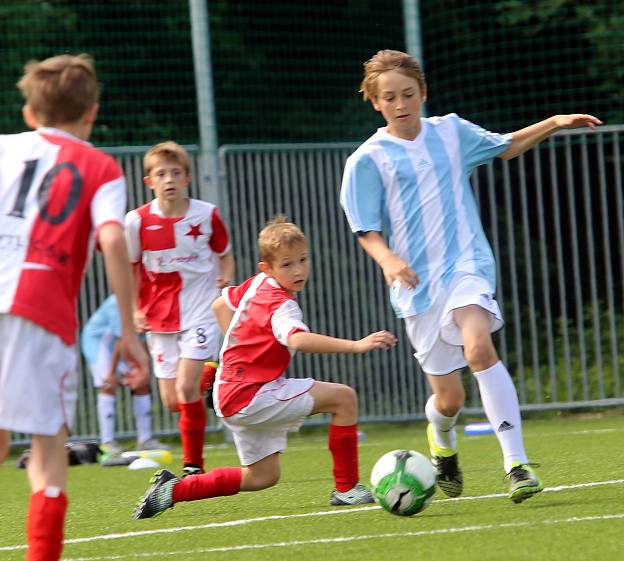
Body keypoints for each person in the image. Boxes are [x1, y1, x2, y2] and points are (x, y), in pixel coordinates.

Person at [0, 54, 149, 561]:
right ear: (92, 112)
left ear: (29, 112)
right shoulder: (100, 166)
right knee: (47, 454)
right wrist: (128, 331)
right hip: (41, 308)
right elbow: (111, 239)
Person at [339, 49, 602, 503]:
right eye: (389, 97)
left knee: (480, 346)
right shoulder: (368, 159)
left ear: (422, 92)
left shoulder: (452, 132)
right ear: (375, 102)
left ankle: (516, 465)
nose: (401, 104)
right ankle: (442, 441)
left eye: (407, 94)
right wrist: (388, 261)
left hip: (467, 265)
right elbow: (366, 227)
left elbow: (507, 146)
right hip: (418, 286)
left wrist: (553, 123)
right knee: (450, 401)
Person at [132, 216, 397, 519]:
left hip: (230, 393)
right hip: (253, 394)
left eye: (303, 260)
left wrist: (232, 356)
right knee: (344, 398)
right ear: (267, 268)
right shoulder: (282, 304)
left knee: (262, 476)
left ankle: (172, 490)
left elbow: (220, 305)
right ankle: (347, 489)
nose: (298, 270)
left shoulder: (257, 284)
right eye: (287, 264)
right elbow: (297, 340)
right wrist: (356, 345)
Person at [124, 141, 235, 477]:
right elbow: (129, 267)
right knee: (173, 400)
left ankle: (193, 467)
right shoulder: (136, 221)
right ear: (149, 181)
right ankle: (214, 374)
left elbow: (225, 254)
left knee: (187, 390)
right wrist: (133, 309)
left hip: (200, 309)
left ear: (187, 178)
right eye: (161, 174)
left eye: (176, 173)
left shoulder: (206, 213)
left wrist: (225, 281)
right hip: (160, 316)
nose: (169, 179)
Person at [80, 294, 169, 453]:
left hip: (124, 344)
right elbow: (122, 339)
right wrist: (111, 372)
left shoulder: (151, 295)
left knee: (141, 383)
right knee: (109, 385)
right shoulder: (122, 301)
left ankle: (145, 439)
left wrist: (143, 368)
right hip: (100, 343)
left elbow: (142, 339)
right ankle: (107, 442)